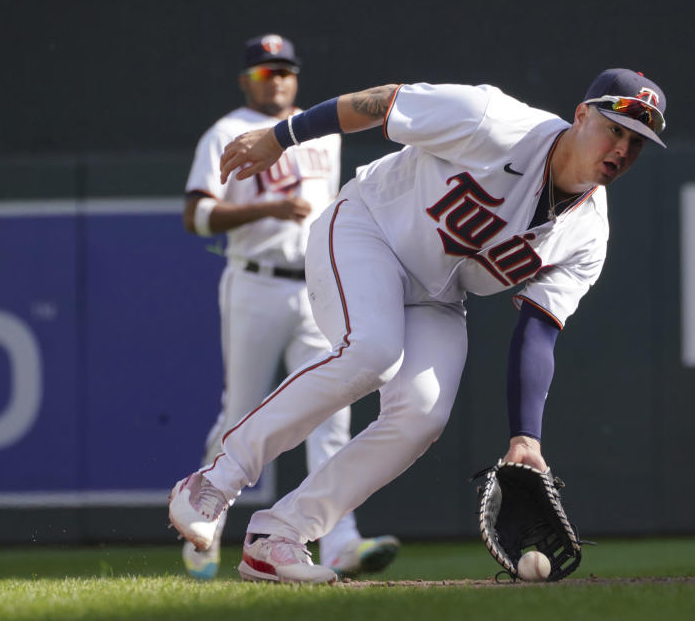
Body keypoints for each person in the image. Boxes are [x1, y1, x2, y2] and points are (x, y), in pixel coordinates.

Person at [170, 67, 668, 584]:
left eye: (637, 143)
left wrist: (526, 438)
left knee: (421, 417)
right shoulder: (494, 122)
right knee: (373, 352)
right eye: (615, 129)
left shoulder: (588, 234)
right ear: (582, 115)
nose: (623, 150)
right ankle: (214, 480)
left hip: (438, 293)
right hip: (367, 230)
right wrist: (281, 137)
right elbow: (382, 103)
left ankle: (279, 536)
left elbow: (539, 330)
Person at [179, 33, 400, 580]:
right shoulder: (225, 132)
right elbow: (197, 216)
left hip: (318, 283)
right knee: (242, 410)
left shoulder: (319, 131)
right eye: (263, 72)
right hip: (254, 282)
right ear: (245, 80)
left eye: (283, 70)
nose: (275, 79)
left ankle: (338, 541)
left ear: (296, 77)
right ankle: (203, 523)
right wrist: (267, 210)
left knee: (333, 412)